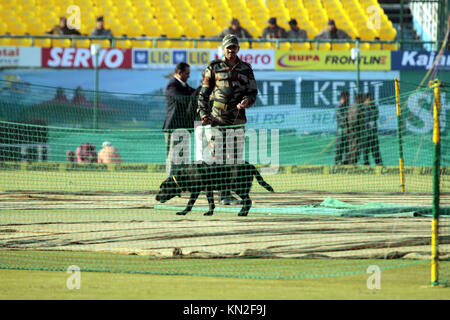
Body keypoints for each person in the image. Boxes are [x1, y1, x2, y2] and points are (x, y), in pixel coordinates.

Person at [198, 34, 258, 205]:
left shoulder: (246, 68)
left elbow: (253, 91)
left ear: (238, 49)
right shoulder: (213, 67)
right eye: (228, 47)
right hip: (218, 118)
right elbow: (203, 94)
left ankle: (228, 193)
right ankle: (223, 194)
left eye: (234, 47)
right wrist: (203, 113)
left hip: (237, 119)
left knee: (235, 157)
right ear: (223, 49)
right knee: (218, 156)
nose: (231, 50)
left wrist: (248, 101)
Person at [164, 62, 195, 177]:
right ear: (179, 73)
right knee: (173, 158)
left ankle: (181, 186)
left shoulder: (184, 86)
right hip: (174, 127)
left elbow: (194, 93)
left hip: (184, 127)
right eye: (187, 73)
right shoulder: (172, 85)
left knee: (183, 158)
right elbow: (186, 99)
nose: (189, 76)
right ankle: (170, 185)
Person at [361, 93, 383, 166]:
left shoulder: (374, 107)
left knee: (375, 149)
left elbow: (375, 116)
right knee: (365, 150)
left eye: (371, 99)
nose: (371, 100)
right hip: (364, 133)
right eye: (369, 99)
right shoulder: (362, 108)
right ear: (365, 100)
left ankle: (379, 164)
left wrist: (370, 108)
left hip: (373, 133)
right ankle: (366, 164)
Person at [344, 94, 364, 165]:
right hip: (356, 131)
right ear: (358, 99)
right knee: (356, 148)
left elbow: (345, 118)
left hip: (350, 131)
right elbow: (355, 120)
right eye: (362, 99)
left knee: (350, 147)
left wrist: (347, 127)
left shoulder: (350, 107)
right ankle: (353, 163)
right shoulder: (357, 108)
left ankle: (350, 162)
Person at [335, 91, 349, 165]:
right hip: (341, 129)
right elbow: (342, 118)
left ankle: (346, 162)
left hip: (347, 130)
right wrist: (346, 126)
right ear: (343, 98)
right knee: (339, 146)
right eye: (348, 97)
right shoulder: (338, 107)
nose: (349, 99)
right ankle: (337, 162)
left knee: (347, 146)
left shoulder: (348, 106)